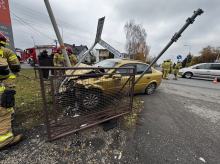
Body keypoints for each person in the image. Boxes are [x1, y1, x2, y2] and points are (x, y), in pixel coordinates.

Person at [0, 32, 22, 149]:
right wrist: (16, 72)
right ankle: (5, 139)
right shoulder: (5, 51)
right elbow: (12, 66)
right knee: (3, 111)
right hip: (3, 84)